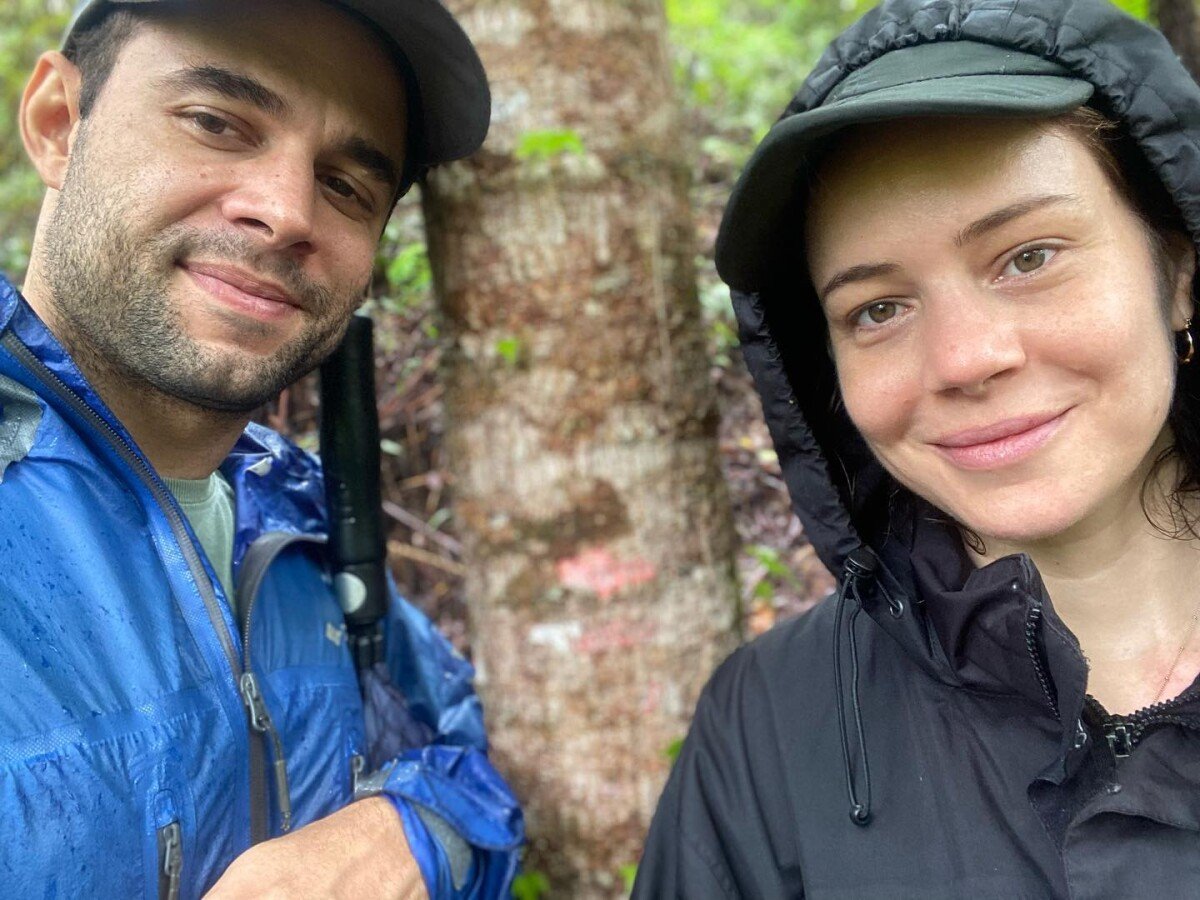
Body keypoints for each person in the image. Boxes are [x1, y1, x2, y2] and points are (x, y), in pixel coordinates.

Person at [634, 0, 1200, 895]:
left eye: (1028, 256)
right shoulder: (769, 727)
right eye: (879, 310)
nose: (966, 360)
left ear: (1177, 273)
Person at [0, 0, 523, 897]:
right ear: (57, 124)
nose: (287, 212)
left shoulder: (303, 521)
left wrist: (400, 836)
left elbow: (466, 752)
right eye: (215, 123)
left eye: (347, 185)